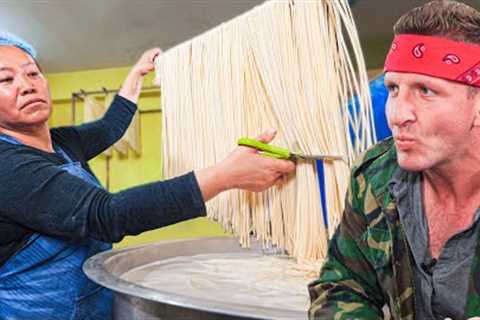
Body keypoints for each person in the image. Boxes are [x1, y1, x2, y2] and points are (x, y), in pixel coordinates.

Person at [0, 32, 295, 319]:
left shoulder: (63, 143)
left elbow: (108, 129)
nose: (26, 86)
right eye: (5, 80)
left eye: (33, 73)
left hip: (90, 305)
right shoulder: (7, 166)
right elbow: (106, 215)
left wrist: (134, 80)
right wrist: (223, 177)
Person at [308, 0, 480, 319]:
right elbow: (343, 286)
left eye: (426, 91)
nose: (398, 115)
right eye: (393, 88)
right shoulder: (377, 175)